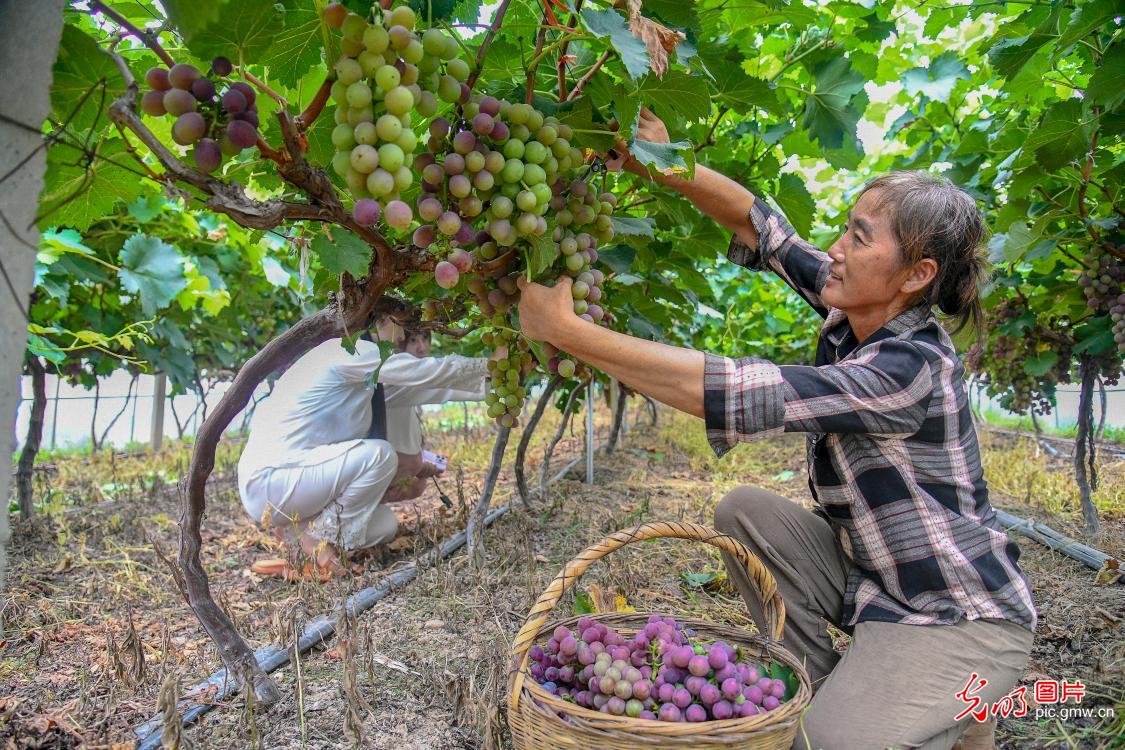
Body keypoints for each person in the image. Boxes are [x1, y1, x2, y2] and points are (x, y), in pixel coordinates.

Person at [515, 108, 1037, 750]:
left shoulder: (909, 369)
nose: (836, 249)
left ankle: (948, 708)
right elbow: (763, 228)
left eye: (859, 238)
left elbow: (734, 391)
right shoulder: (861, 307)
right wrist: (661, 161)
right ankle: (853, 695)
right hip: (883, 585)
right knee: (745, 511)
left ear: (916, 274)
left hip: (957, 615)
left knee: (818, 747)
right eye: (845, 228)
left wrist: (567, 331)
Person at [238, 318, 489, 579]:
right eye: (400, 322)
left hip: (298, 482)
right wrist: (492, 363)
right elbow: (430, 372)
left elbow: (436, 389)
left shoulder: (367, 378)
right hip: (272, 481)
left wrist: (499, 387)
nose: (403, 336)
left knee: (384, 525)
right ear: (380, 319)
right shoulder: (351, 351)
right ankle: (315, 542)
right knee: (379, 456)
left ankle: (296, 542)